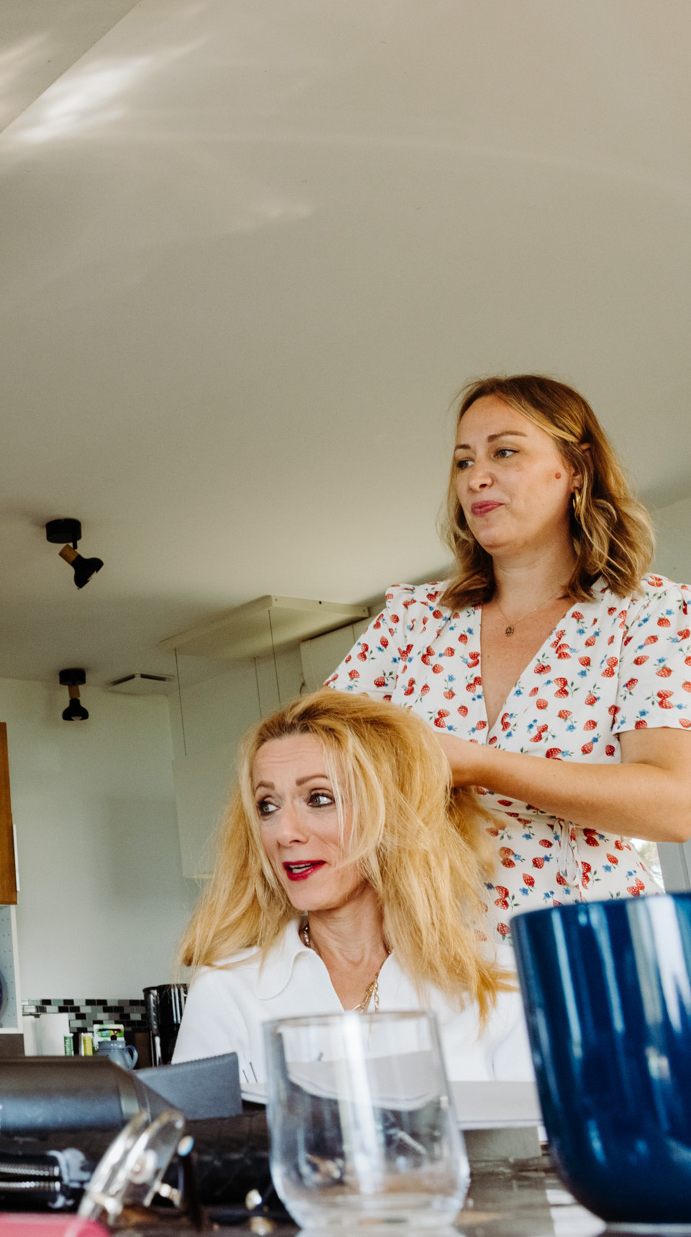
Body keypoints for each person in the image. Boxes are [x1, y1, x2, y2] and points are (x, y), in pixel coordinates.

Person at [327, 375, 691, 940]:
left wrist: (481, 766)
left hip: (594, 950)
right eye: (462, 462)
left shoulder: (649, 614)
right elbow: (315, 760)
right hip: (427, 954)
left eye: (505, 451)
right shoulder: (410, 620)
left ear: (574, 468)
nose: (477, 477)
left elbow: (675, 805)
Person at [172, 690, 531, 1085]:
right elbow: (201, 1143)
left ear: (391, 814)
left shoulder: (499, 983)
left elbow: (541, 1145)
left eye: (319, 798)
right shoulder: (227, 991)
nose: (285, 832)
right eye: (267, 806)